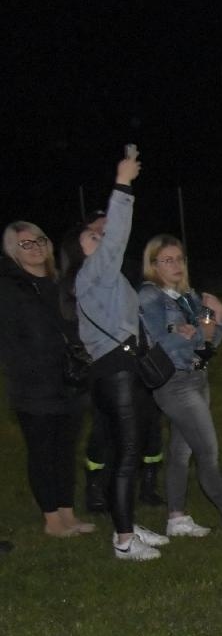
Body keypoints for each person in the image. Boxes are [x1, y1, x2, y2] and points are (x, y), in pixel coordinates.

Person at [58, 148, 171, 560]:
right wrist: (123, 183)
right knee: (126, 455)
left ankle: (127, 523)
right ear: (79, 251)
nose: (101, 240)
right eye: (92, 238)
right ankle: (123, 541)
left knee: (125, 452)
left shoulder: (100, 281)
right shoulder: (92, 273)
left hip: (118, 369)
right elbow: (118, 236)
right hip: (117, 371)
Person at [138, 235, 222, 536]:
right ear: (153, 265)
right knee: (207, 449)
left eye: (179, 259)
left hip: (197, 377)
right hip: (174, 382)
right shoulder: (150, 296)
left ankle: (176, 518)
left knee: (181, 450)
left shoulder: (188, 297)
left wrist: (218, 317)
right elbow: (158, 341)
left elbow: (208, 344)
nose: (176, 265)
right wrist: (194, 331)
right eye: (167, 260)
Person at [0, 221, 93, 537]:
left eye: (39, 240)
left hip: (69, 381)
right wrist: (28, 368)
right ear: (13, 250)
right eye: (26, 244)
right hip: (34, 386)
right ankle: (51, 519)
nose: (36, 247)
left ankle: (67, 513)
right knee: (42, 453)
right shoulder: (10, 288)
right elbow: (9, 340)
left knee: (65, 450)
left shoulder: (60, 283)